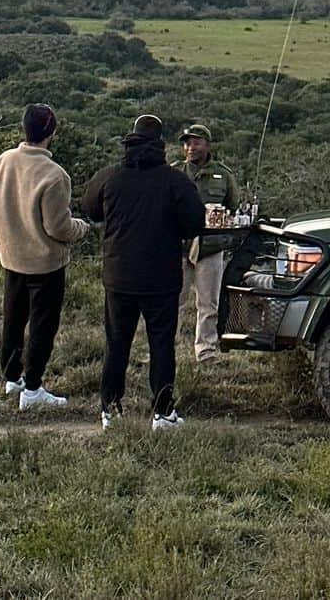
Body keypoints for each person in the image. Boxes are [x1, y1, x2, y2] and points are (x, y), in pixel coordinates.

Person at [81, 114, 205, 431]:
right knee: (161, 344)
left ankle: (110, 409)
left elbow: (89, 209)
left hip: (119, 274)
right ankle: (162, 412)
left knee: (117, 342)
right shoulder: (176, 181)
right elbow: (195, 224)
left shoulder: (109, 177)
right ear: (161, 145)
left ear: (130, 140)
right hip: (161, 277)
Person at [0, 103, 89, 411]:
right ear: (52, 132)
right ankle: (32, 388)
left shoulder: (0, 163)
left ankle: (11, 378)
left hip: (11, 257)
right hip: (45, 263)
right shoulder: (54, 175)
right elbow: (58, 227)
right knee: (43, 326)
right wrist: (82, 228)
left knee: (13, 320)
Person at [177, 123, 239, 363]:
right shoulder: (175, 172)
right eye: (187, 142)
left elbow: (233, 205)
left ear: (207, 145)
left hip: (210, 244)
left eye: (196, 142)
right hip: (180, 245)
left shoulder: (223, 174)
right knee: (173, 300)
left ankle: (206, 352)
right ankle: (162, 348)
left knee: (208, 302)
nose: (190, 147)